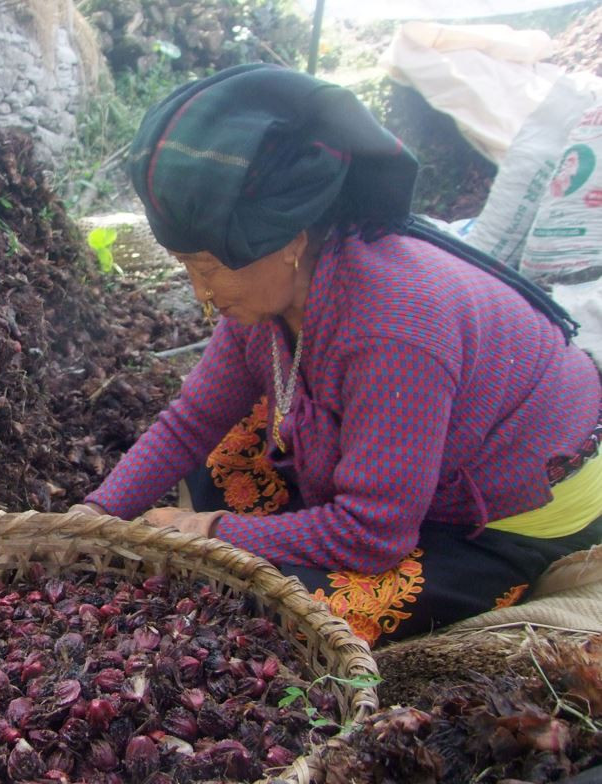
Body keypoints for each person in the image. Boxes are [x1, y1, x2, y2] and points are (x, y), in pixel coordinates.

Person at [72, 64, 602, 647]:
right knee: (213, 460)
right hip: (410, 451)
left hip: (496, 514)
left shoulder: (393, 329)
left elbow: (373, 534)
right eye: (187, 269)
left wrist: (215, 530)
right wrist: (94, 514)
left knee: (280, 614)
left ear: (290, 240)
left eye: (210, 269)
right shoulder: (270, 298)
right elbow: (191, 420)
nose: (201, 293)